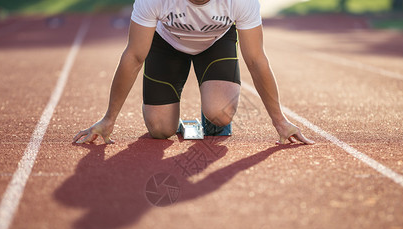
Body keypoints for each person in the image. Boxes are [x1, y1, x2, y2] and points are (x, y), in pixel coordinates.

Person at [73, 0, 314, 145]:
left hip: (215, 42)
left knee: (219, 115)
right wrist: (109, 119)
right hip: (166, 43)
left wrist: (280, 121)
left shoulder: (240, 1)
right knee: (160, 130)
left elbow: (256, 60)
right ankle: (175, 120)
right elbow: (134, 56)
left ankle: (212, 116)